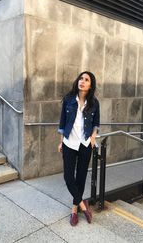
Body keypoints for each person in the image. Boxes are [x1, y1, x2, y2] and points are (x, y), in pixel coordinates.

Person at [58, 71, 100, 226]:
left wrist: (93, 138)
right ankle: (84, 206)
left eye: (86, 79)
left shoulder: (94, 103)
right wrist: (61, 141)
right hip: (69, 143)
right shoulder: (68, 100)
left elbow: (96, 123)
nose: (82, 81)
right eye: (81, 78)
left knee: (81, 178)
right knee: (68, 178)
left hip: (85, 144)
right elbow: (62, 123)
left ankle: (74, 210)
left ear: (90, 85)